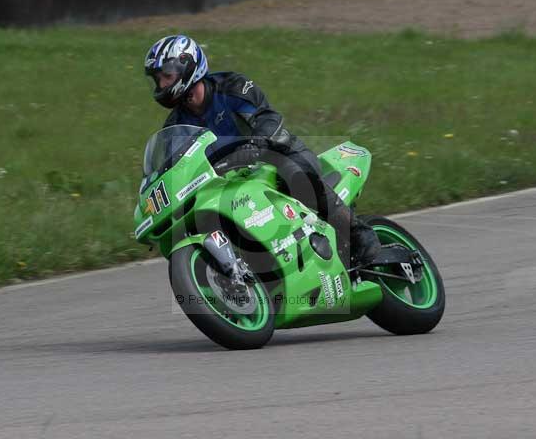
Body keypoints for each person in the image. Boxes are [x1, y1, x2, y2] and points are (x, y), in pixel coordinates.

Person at [143, 34, 380, 267]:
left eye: (166, 76)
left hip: (275, 155)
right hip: (229, 181)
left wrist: (256, 143)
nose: (162, 84)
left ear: (188, 66)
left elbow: (266, 116)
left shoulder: (232, 87)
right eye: (158, 79)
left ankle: (357, 232)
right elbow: (177, 166)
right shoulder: (175, 126)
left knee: (296, 177)